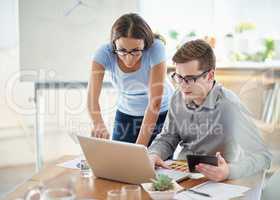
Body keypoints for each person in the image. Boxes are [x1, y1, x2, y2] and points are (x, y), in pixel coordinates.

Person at [148, 39, 272, 181]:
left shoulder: (229, 105)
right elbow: (167, 138)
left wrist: (229, 172)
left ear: (210, 75)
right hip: (183, 173)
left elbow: (263, 156)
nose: (183, 85)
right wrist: (154, 154)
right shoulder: (177, 97)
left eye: (190, 79)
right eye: (179, 77)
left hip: (220, 180)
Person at [87, 13, 173, 146]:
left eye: (136, 51)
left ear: (146, 44)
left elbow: (154, 103)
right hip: (126, 112)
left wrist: (139, 148)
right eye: (122, 50)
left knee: (153, 160)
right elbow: (92, 99)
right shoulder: (103, 53)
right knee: (118, 159)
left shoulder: (156, 48)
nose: (129, 59)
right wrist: (98, 124)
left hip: (160, 112)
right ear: (114, 44)